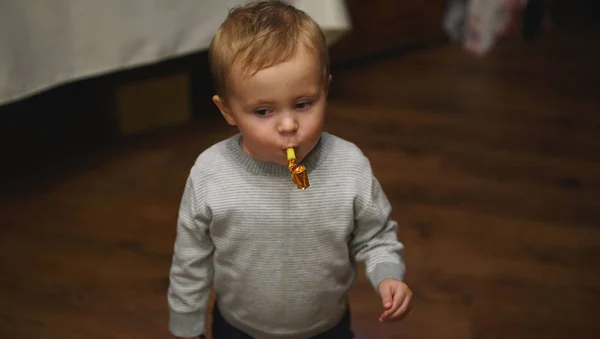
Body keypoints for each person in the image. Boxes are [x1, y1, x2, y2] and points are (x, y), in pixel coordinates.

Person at [167, 1, 412, 338]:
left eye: (302, 104)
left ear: (325, 89)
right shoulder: (210, 173)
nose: (287, 125)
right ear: (227, 111)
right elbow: (190, 258)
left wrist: (388, 275)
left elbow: (376, 235)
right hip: (239, 327)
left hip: (326, 327)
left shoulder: (349, 165)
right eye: (263, 111)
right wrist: (186, 326)